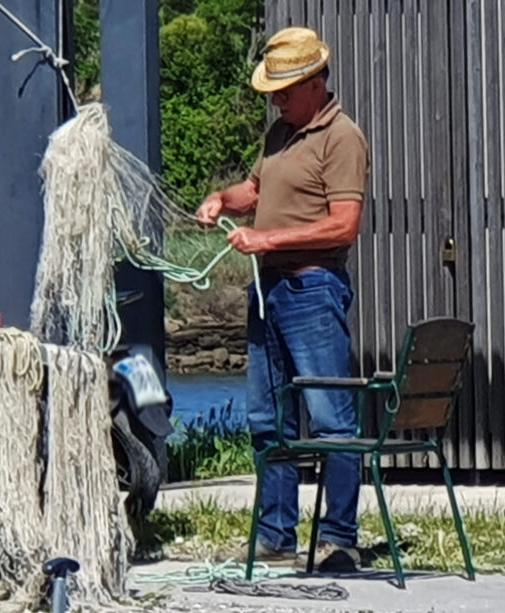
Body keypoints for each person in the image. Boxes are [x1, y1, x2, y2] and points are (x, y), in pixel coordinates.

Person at [195, 26, 368, 572]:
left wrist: (267, 239)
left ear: (316, 82)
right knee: (268, 419)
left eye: (286, 90)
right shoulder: (280, 134)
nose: (277, 99)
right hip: (270, 291)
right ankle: (276, 536)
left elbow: (344, 225)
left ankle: (340, 537)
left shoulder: (342, 138)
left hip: (313, 289)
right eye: (273, 91)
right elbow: (257, 191)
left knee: (331, 419)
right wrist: (224, 199)